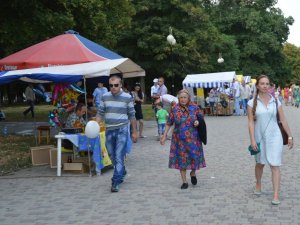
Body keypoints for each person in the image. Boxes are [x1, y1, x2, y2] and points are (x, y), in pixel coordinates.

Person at [247, 75, 293, 205]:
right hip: (259, 137)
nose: (265, 86)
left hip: (275, 137)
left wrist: (290, 136)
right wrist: (252, 140)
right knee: (260, 164)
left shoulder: (276, 101)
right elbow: (250, 123)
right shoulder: (251, 103)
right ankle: (258, 183)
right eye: (262, 83)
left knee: (275, 165)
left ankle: (276, 194)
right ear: (257, 86)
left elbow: (283, 120)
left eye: (267, 83)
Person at [96, 75, 137, 193]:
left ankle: (115, 181)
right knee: (111, 155)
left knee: (119, 156)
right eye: (111, 85)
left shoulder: (127, 97)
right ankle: (122, 171)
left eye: (116, 85)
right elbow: (100, 113)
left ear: (120, 85)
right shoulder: (105, 96)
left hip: (122, 130)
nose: (113, 87)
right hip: (109, 129)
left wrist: (134, 132)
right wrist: (95, 125)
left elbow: (132, 115)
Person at [160, 89, 206, 189]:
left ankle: (193, 173)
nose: (183, 99)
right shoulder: (174, 109)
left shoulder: (194, 107)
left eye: (185, 97)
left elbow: (201, 118)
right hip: (179, 140)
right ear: (178, 98)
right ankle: (184, 182)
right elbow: (169, 123)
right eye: (181, 98)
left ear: (188, 98)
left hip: (193, 139)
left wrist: (197, 122)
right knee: (182, 160)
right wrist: (164, 136)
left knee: (194, 158)